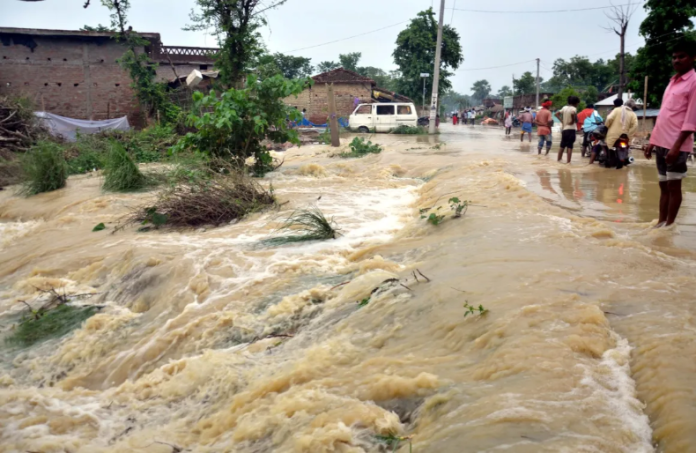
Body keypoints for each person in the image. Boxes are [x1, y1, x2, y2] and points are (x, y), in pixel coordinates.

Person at [644, 41, 696, 227]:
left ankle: (669, 225)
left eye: (681, 56)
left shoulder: (694, 82)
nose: (677, 60)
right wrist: (652, 141)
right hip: (661, 142)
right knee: (663, 186)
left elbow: (691, 120)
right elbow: (664, 115)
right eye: (674, 57)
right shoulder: (672, 82)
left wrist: (676, 147)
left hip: (677, 145)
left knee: (674, 186)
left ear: (692, 58)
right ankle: (661, 223)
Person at [604, 97, 638, 164]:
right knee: (627, 148)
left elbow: (609, 119)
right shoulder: (633, 114)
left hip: (613, 135)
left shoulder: (616, 110)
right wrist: (629, 135)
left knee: (608, 146)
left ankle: (608, 160)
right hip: (625, 136)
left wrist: (606, 126)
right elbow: (635, 126)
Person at [557, 96, 580, 163]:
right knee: (570, 146)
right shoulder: (574, 108)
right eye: (577, 103)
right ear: (575, 103)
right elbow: (573, 114)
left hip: (564, 130)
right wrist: (572, 120)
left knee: (562, 145)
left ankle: (558, 160)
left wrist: (562, 121)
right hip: (571, 130)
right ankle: (568, 162)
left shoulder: (564, 108)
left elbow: (556, 114)